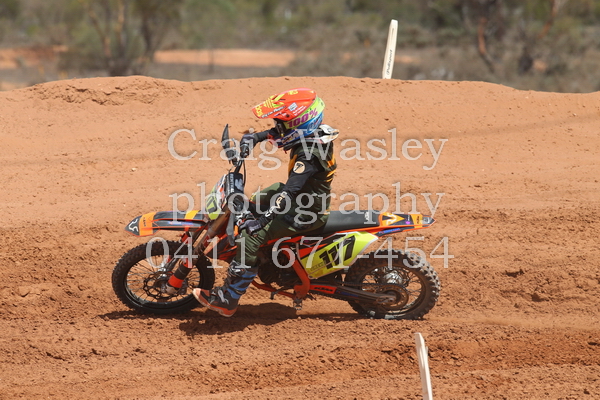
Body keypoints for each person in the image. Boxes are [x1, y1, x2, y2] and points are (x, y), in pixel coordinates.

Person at [193, 88, 338, 317]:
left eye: (283, 124)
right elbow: (282, 133)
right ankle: (265, 252)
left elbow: (289, 192)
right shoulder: (312, 133)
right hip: (303, 199)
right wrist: (257, 137)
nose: (278, 127)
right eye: (277, 123)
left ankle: (228, 298)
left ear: (299, 124)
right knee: (261, 198)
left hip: (304, 212)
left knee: (251, 236)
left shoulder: (309, 154)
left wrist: (261, 222)